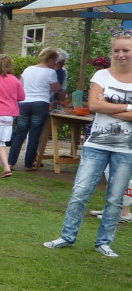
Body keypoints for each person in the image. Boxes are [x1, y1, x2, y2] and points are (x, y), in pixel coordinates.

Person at [44, 32, 132, 258]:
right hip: (97, 145)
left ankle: (104, 242)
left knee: (115, 198)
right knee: (80, 192)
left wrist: (109, 105)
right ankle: (67, 237)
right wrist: (128, 108)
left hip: (126, 149)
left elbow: (102, 106)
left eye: (126, 50)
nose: (121, 54)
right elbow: (93, 105)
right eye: (117, 50)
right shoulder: (102, 75)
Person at [8, 47, 60, 171]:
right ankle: (28, 163)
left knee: (20, 133)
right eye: (55, 61)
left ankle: (10, 163)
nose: (55, 64)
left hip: (24, 103)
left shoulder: (28, 69)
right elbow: (56, 89)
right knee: (34, 134)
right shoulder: (51, 72)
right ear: (51, 59)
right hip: (40, 103)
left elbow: (20, 85)